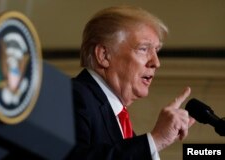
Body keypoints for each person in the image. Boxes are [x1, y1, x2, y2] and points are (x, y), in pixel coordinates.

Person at [66, 5, 195, 160]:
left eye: (156, 51)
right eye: (143, 49)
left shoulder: (117, 115)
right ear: (104, 55)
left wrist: (155, 144)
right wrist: (155, 140)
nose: (156, 62)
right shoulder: (71, 96)